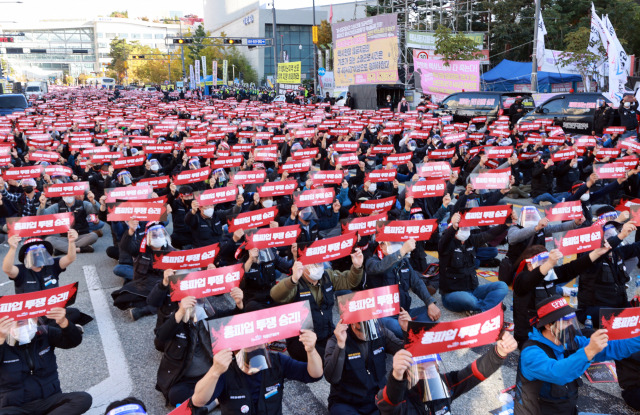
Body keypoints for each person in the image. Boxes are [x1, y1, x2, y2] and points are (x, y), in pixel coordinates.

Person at [515, 295, 640, 415]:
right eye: (565, 321)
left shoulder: (569, 341)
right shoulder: (531, 353)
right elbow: (558, 373)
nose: (570, 325)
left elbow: (611, 348)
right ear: (548, 325)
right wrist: (589, 351)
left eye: (571, 320)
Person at [375, 332, 518, 414]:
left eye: (433, 364)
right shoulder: (402, 398)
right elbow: (387, 402)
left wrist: (499, 352)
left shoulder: (443, 383)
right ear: (409, 371)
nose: (430, 371)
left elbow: (473, 374)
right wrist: (396, 376)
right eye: (422, 367)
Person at [186, 332, 323, 414]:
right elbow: (198, 401)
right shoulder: (225, 369)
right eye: (247, 345)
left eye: (257, 343)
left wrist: (311, 350)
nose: (254, 347)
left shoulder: (277, 361)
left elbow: (314, 374)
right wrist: (214, 372)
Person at [270, 249, 364, 361]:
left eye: (319, 263)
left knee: (354, 350)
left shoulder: (327, 276)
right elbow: (275, 295)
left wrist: (357, 267)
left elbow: (350, 281)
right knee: (335, 357)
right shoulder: (294, 283)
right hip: (302, 341)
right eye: (313, 263)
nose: (318, 266)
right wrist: (293, 279)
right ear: (302, 265)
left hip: (327, 333)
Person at [0, 308, 92, 414]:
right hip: (15, 407)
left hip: (49, 401)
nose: (23, 325)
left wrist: (63, 322)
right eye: (18, 322)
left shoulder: (44, 333)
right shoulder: (2, 342)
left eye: (28, 320)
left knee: (83, 399)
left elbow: (73, 341)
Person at [324, 317, 403, 415]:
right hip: (347, 402)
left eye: (370, 330)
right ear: (351, 324)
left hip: (376, 399)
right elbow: (332, 377)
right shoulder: (336, 340)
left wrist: (408, 331)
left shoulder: (381, 332)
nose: (366, 335)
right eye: (361, 330)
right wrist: (340, 345)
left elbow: (406, 351)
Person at [366, 239, 440, 338]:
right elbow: (381, 267)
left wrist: (430, 302)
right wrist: (401, 252)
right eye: (393, 243)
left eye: (398, 243)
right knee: (397, 327)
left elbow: (417, 283)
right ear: (382, 246)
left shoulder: (404, 261)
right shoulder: (372, 262)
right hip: (385, 315)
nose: (397, 246)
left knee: (432, 314)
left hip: (404, 312)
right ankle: (412, 335)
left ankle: (411, 333)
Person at [438, 212, 509, 315]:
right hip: (452, 294)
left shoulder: (470, 240)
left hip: (473, 290)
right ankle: (490, 307)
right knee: (469, 300)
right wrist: (453, 227)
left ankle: (481, 310)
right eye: (462, 228)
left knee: (502, 286)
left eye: (467, 228)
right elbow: (445, 239)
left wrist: (505, 225)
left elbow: (489, 235)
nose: (465, 231)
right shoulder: (447, 244)